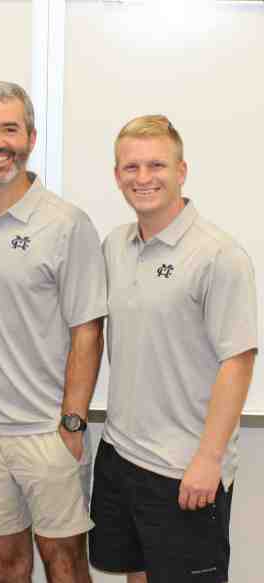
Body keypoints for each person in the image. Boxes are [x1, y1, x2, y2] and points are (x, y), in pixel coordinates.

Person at [0, 81, 106, 583]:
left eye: (9, 129)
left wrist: (73, 425)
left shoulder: (66, 223)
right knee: (2, 563)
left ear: (31, 137)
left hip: (48, 433)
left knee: (65, 562)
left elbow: (88, 330)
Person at [89, 115, 258, 583]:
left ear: (182, 171)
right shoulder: (115, 246)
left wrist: (208, 460)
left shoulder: (219, 256)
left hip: (185, 468)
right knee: (136, 576)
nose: (144, 178)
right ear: (117, 175)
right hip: (120, 455)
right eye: (131, 167)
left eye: (157, 165)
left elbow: (238, 362)